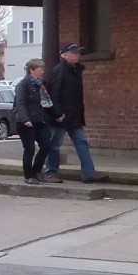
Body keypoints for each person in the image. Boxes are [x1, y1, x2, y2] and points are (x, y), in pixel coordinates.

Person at [43, 43, 109, 184]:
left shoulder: (75, 71)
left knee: (82, 142)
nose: (77, 55)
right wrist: (57, 114)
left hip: (73, 116)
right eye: (73, 53)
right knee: (54, 145)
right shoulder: (60, 70)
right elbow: (53, 93)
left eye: (78, 53)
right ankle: (50, 172)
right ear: (64, 55)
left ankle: (88, 172)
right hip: (61, 117)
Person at [11, 59, 53, 184]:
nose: (43, 72)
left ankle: (37, 171)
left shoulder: (41, 84)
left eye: (43, 69)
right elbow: (20, 103)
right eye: (40, 69)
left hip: (40, 120)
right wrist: (25, 119)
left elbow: (46, 103)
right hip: (26, 122)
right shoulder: (23, 85)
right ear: (31, 70)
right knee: (29, 149)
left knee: (46, 145)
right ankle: (28, 175)